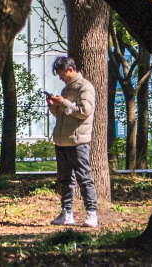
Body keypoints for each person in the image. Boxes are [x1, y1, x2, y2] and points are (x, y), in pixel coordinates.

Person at [47, 56, 98, 228]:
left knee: (84, 178)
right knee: (64, 179)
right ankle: (67, 213)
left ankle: (92, 213)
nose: (60, 77)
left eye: (61, 74)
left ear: (70, 70)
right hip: (62, 141)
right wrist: (54, 106)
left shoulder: (85, 87)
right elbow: (63, 117)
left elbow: (84, 112)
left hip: (78, 142)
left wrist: (64, 102)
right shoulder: (66, 89)